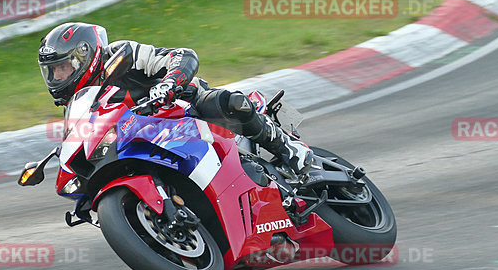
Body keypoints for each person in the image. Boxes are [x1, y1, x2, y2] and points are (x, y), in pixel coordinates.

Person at [37, 22, 313, 174]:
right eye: (53, 71)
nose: (58, 76)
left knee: (229, 102)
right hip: (147, 141)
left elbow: (180, 56)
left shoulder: (122, 55)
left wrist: (169, 83)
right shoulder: (77, 106)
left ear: (84, 55)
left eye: (63, 67)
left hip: (183, 108)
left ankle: (286, 146)